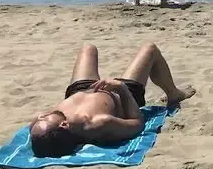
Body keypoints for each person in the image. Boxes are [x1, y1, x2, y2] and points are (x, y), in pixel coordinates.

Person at [28, 42, 196, 158]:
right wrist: (120, 88)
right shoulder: (99, 123)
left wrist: (41, 122)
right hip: (120, 95)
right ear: (64, 125)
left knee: (88, 48)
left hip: (79, 90)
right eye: (46, 118)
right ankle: (174, 94)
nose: (42, 116)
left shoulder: (43, 127)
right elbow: (137, 123)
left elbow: (39, 127)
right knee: (150, 49)